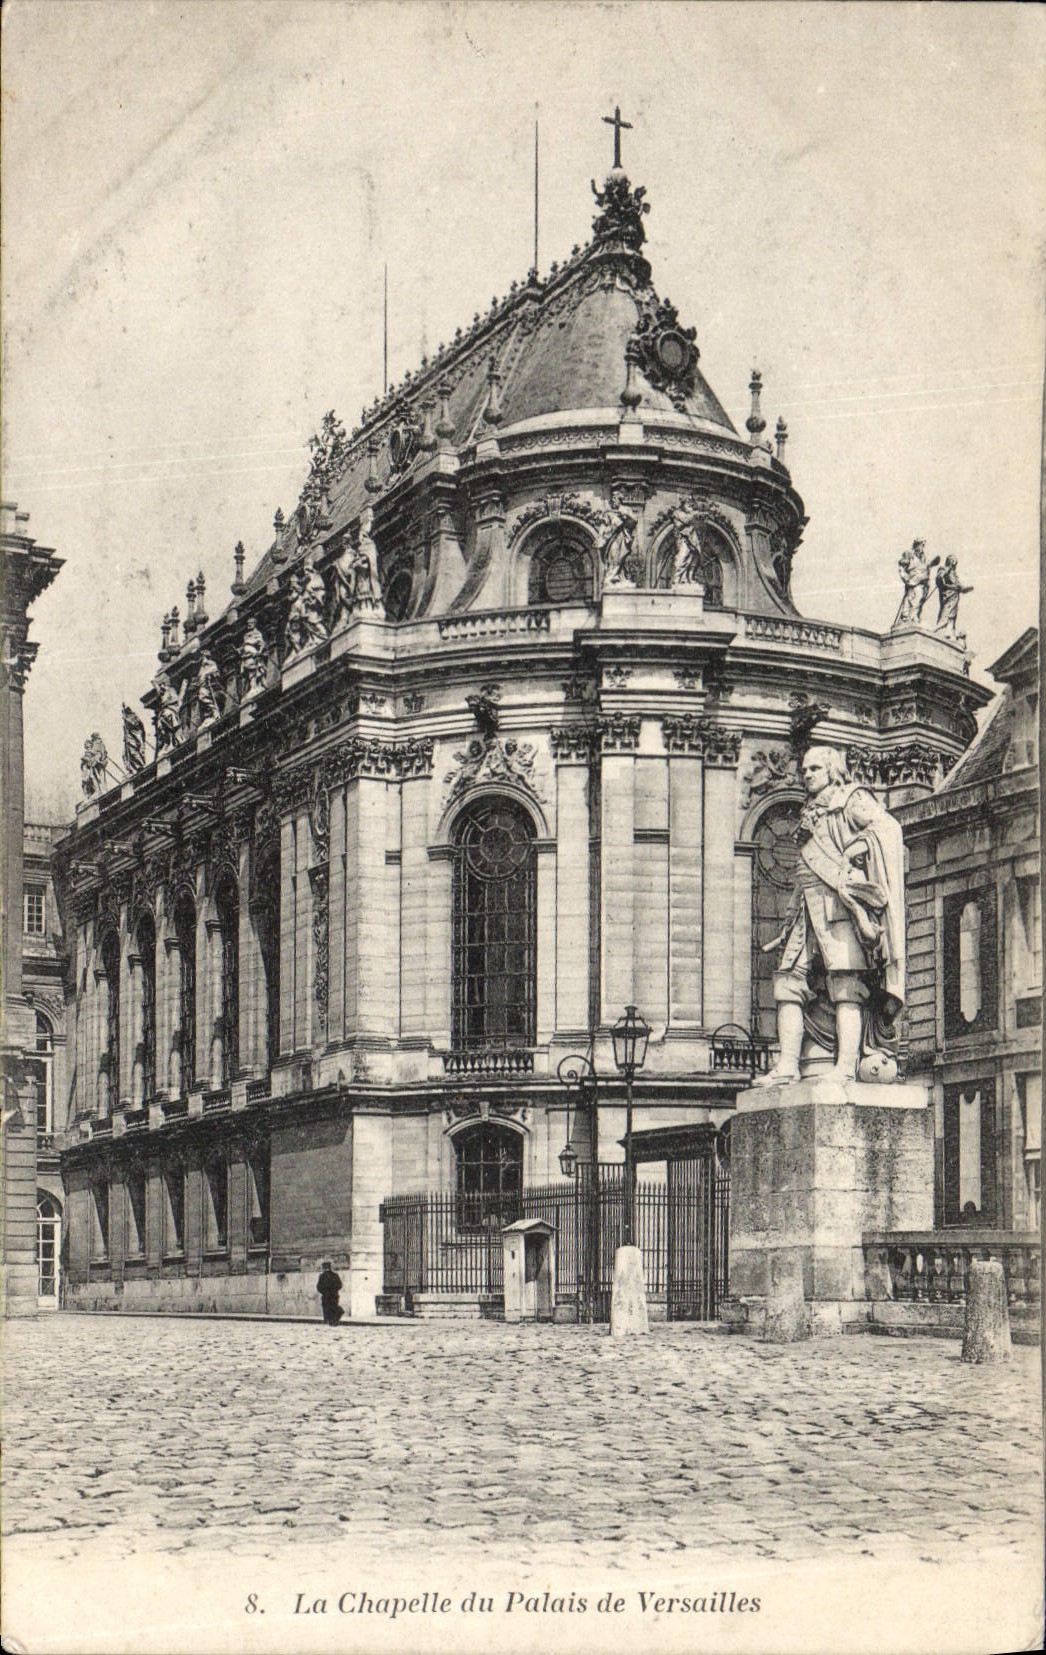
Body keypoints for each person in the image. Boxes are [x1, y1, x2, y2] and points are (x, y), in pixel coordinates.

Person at [754, 744, 906, 1085]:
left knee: (846, 985)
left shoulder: (852, 799)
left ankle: (846, 1067)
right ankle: (787, 1066)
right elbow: (804, 872)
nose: (806, 775)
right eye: (805, 770)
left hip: (840, 909)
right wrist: (790, 916)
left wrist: (856, 848)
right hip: (807, 910)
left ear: (832, 770)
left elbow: (888, 830)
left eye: (815, 769)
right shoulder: (810, 811)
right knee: (787, 983)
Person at [892, 540, 939, 628]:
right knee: (913, 598)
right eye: (921, 545)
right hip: (914, 582)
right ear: (916, 545)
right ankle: (907, 617)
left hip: (924, 582)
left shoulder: (924, 558)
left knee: (920, 600)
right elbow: (902, 568)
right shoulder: (910, 556)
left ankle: (914, 617)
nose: (922, 547)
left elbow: (927, 566)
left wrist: (933, 563)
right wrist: (907, 579)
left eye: (923, 545)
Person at [934, 556, 973, 636]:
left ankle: (949, 630)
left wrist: (965, 589)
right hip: (947, 594)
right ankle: (940, 629)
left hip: (955, 595)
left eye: (955, 561)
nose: (954, 562)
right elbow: (939, 579)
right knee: (946, 610)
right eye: (952, 560)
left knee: (953, 613)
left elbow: (959, 585)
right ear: (949, 561)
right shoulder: (943, 568)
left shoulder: (954, 574)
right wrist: (947, 571)